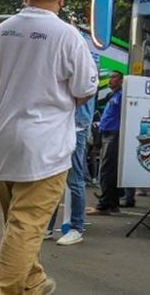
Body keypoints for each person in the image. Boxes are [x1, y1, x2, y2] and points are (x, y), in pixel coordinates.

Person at [0, 0, 98, 295]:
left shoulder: (0, 33)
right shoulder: (68, 36)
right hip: (44, 144)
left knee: (18, 224)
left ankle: (32, 282)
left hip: (4, 139)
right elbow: (85, 88)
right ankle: (3, 290)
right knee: (25, 225)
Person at [48, 79, 95, 246]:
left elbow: (88, 91)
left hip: (76, 127)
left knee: (74, 179)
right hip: (64, 126)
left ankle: (77, 228)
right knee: (53, 177)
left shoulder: (82, 61)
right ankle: (48, 226)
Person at [90, 71, 128, 216]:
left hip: (114, 134)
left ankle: (105, 205)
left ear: (121, 80)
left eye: (114, 77)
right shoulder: (112, 95)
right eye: (110, 77)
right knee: (109, 170)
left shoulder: (122, 95)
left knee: (107, 170)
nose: (110, 80)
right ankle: (111, 204)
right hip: (107, 134)